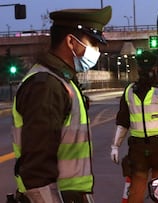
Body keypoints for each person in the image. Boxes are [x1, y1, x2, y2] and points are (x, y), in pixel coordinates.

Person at [11, 6, 112, 203]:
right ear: (70, 42)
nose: (97, 50)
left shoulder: (63, 81)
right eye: (92, 42)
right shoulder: (46, 86)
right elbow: (36, 171)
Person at [110, 51, 158, 203]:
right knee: (136, 192)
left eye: (149, 68)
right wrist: (115, 145)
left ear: (154, 69)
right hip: (139, 149)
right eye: (143, 68)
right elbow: (123, 121)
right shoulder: (129, 91)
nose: (146, 72)